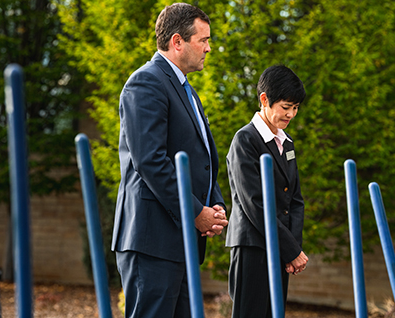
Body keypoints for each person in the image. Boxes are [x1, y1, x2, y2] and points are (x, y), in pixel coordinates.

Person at [111, 3, 228, 318]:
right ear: (178, 42)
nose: (208, 48)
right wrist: (195, 212)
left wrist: (212, 204)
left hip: (180, 241)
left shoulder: (185, 89)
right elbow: (151, 162)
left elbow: (199, 157)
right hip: (153, 242)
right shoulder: (146, 83)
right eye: (202, 40)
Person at [226, 65, 309, 317]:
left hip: (280, 249)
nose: (291, 114)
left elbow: (295, 199)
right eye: (286, 107)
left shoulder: (288, 143)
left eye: (295, 108)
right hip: (252, 247)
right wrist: (291, 250)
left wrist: (291, 248)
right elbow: (255, 204)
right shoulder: (245, 140)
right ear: (265, 100)